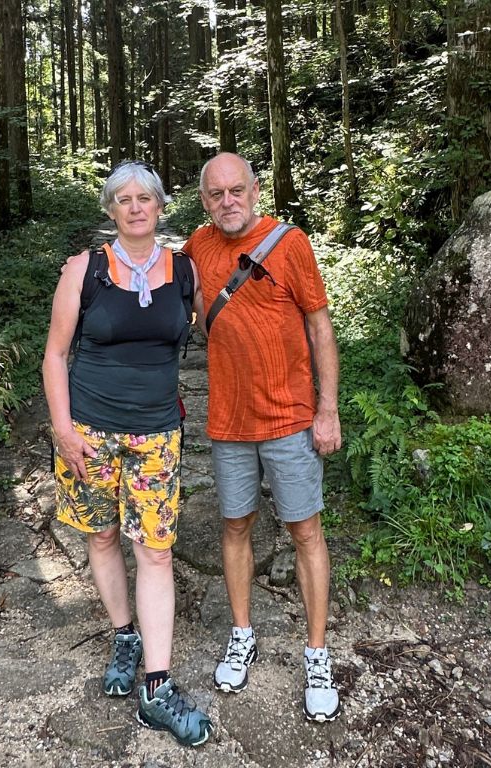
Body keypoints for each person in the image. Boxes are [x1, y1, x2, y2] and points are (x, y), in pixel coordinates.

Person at [42, 160, 212, 747]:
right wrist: (63, 430)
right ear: (111, 209)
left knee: (156, 551)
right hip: (89, 432)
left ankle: (157, 688)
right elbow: (55, 355)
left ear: (161, 206)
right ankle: (124, 634)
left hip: (157, 433)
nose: (136, 208)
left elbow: (217, 327)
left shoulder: (184, 270)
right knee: (102, 536)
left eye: (145, 198)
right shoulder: (84, 270)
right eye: (124, 199)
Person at [184, 152, 343, 722]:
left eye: (236, 190)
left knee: (306, 530)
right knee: (235, 526)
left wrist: (327, 410)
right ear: (204, 200)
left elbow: (320, 328)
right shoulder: (197, 247)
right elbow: (159, 283)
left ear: (255, 190)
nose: (227, 201)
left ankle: (317, 654)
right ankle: (242, 634)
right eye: (216, 193)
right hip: (228, 422)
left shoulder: (290, 243)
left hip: (290, 419)